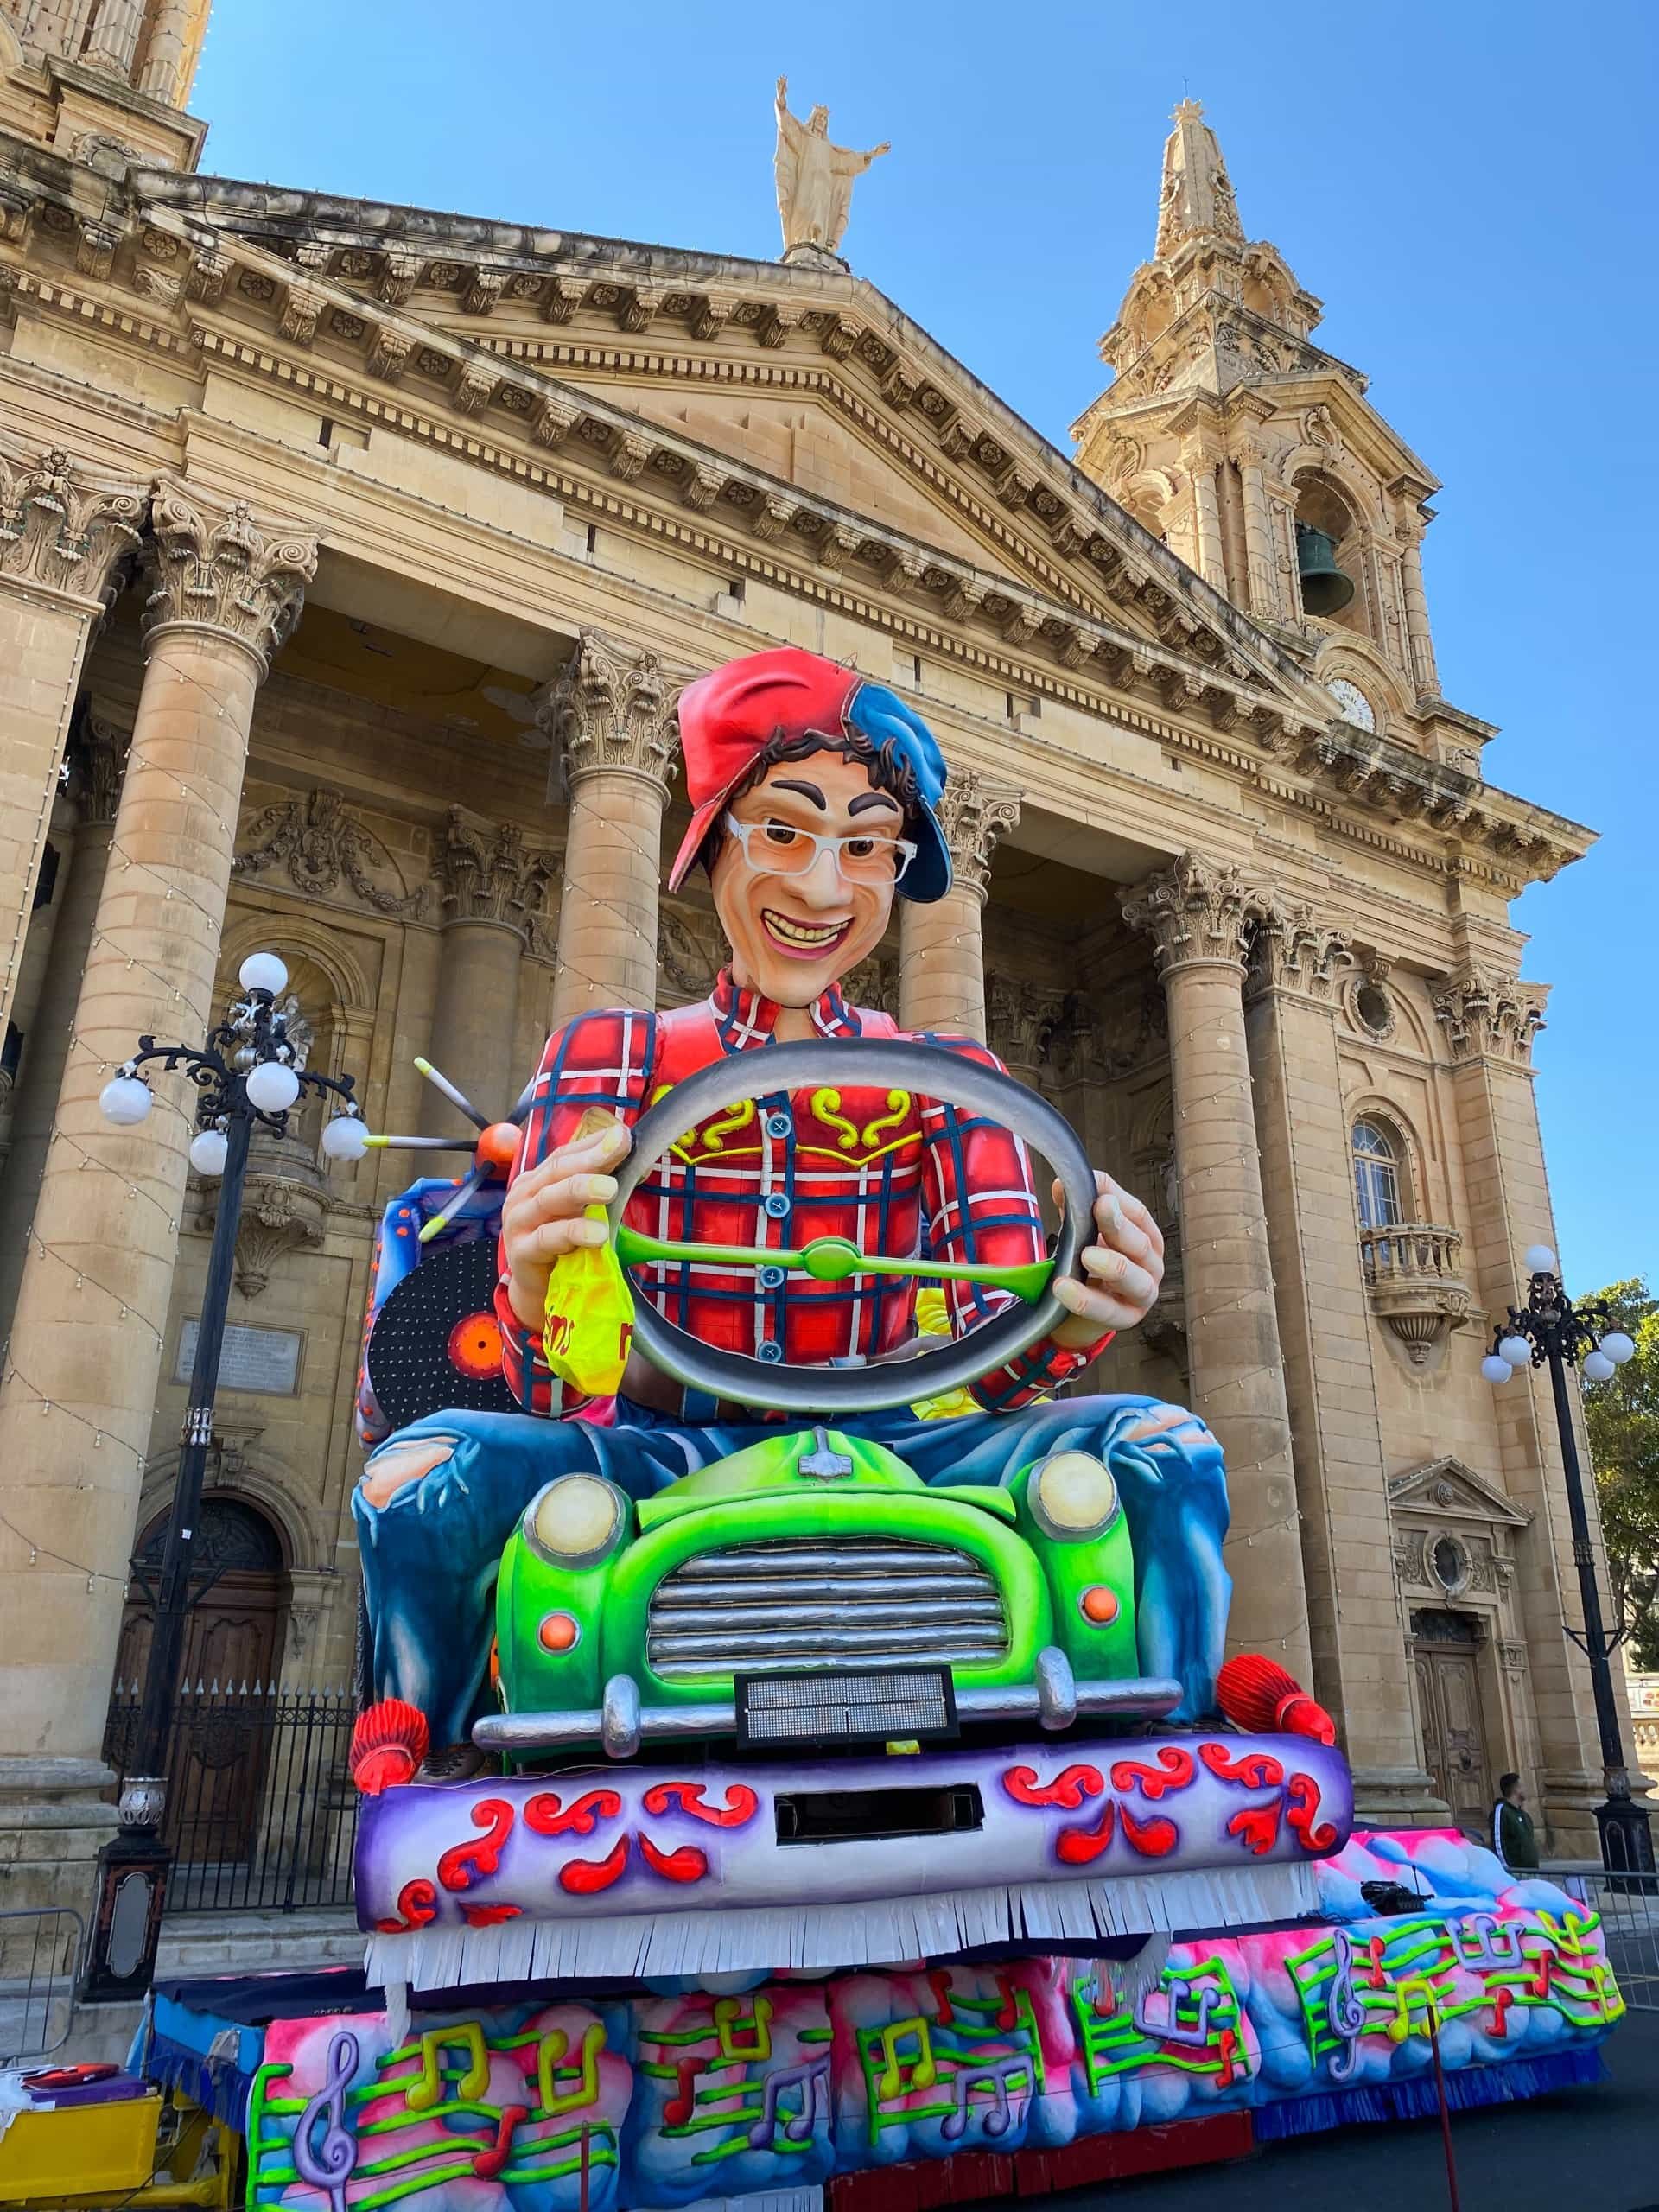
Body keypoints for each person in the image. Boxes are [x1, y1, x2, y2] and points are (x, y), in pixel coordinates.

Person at [353, 647, 1230, 1764]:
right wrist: (529, 1288)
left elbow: (989, 1366)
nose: (824, 889)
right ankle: (437, 1778)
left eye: (865, 846)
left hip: (901, 1441)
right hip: (667, 1443)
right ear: (714, 838)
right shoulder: (611, 1055)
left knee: (1168, 1448)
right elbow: (551, 1385)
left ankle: (1182, 1770)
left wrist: (1078, 1308)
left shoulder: (951, 1077)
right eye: (785, 831)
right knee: (415, 1481)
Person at [1491, 1772, 1539, 1871]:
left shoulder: (1525, 1816)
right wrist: (1507, 1869)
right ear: (1516, 1789)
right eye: (1523, 1786)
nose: (1526, 1789)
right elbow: (1498, 1842)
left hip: (1533, 1872)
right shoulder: (1502, 1811)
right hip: (1516, 1873)